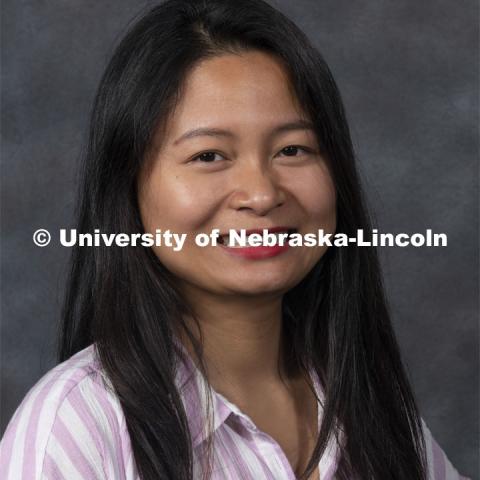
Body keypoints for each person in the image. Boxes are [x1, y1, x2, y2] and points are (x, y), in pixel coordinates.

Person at [0, 0, 471, 479]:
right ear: (128, 189)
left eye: (293, 149)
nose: (262, 195)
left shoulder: (376, 414)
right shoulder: (76, 425)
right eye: (209, 156)